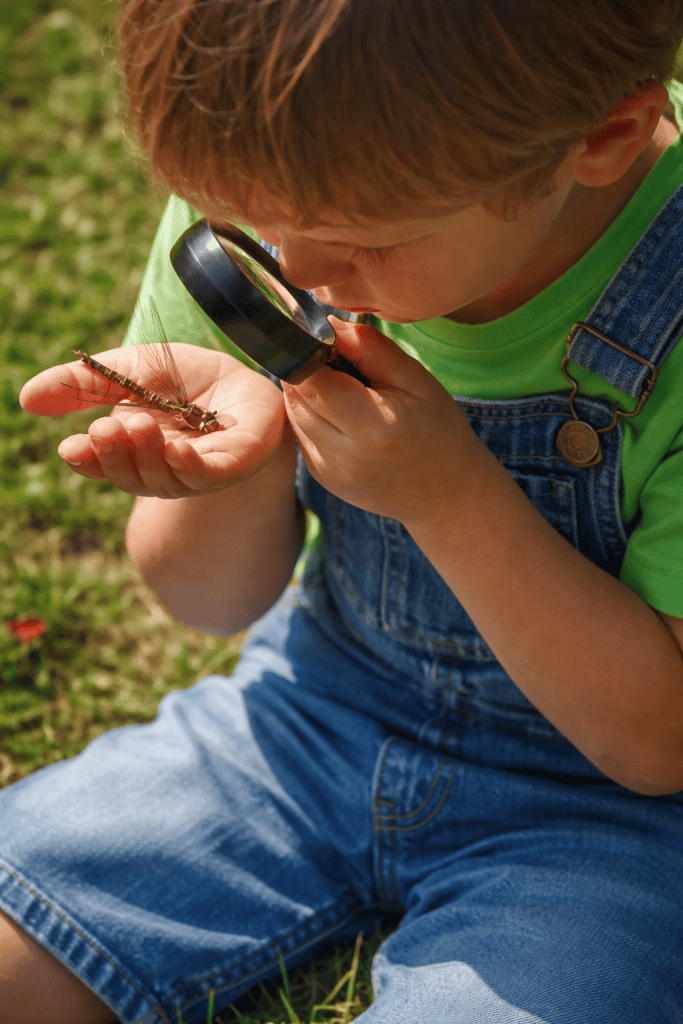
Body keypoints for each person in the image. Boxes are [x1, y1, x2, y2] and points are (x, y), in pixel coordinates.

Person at [4, 1, 683, 1021]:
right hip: (309, 713)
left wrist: (449, 496)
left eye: (366, 242)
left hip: (606, 823)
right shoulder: (280, 172)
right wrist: (237, 462)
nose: (300, 270)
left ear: (602, 138)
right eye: (252, 221)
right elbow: (205, 600)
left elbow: (655, 744)